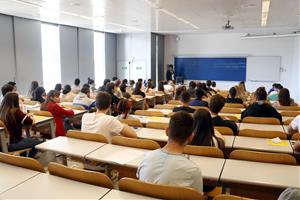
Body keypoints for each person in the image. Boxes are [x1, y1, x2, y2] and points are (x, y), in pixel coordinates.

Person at [137, 111, 203, 193]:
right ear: (191, 137)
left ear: (166, 131)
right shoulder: (193, 171)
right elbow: (197, 196)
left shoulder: (146, 157)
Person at [0, 92, 42, 157]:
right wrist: (27, 116)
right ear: (15, 101)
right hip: (12, 143)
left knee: (26, 140)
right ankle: (28, 159)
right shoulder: (16, 111)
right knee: (39, 144)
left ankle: (23, 158)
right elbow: (29, 121)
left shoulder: (2, 111)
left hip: (3, 144)